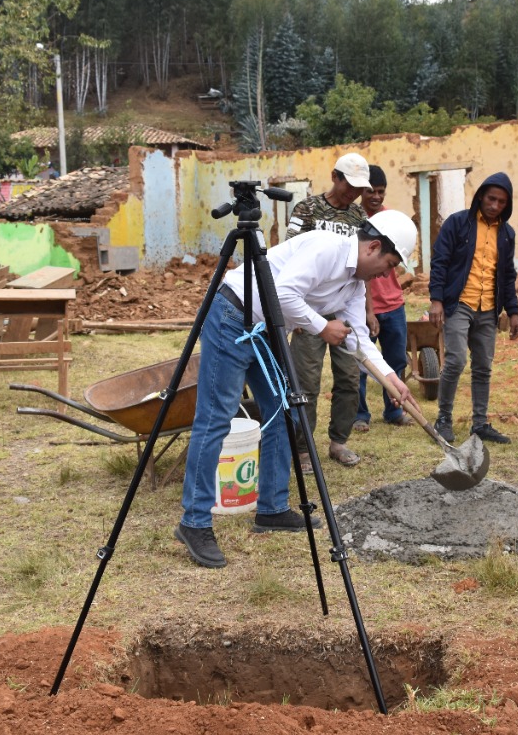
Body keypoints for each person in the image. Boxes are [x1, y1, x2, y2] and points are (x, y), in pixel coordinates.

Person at [175, 213, 421, 568]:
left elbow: (359, 340)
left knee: (284, 411)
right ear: (374, 246)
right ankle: (194, 522)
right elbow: (283, 291)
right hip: (233, 315)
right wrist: (322, 327)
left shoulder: (355, 285)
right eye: (389, 264)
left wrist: (390, 378)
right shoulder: (326, 248)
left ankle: (271, 509)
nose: (387, 274)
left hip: (268, 331)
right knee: (216, 418)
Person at [286, 152, 372, 469]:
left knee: (349, 377)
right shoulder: (307, 209)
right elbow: (291, 260)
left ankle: (339, 441)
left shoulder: (360, 218)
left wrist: (369, 312)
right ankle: (303, 448)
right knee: (306, 381)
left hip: (345, 310)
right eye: (349, 185)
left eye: (359, 188)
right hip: (307, 309)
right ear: (335, 177)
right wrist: (296, 315)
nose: (354, 193)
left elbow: (367, 268)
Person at [429, 172, 518, 444]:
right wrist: (437, 300)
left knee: (483, 367)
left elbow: (507, 274)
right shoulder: (458, 224)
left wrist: (513, 312)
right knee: (456, 360)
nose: (495, 205)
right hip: (459, 304)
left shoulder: (506, 234)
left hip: (489, 309)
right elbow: (440, 262)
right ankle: (443, 418)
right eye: (491, 198)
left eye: (501, 202)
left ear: (507, 204)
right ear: (481, 196)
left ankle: (479, 423)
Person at [354, 166, 410, 432]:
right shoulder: (355, 222)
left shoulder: (393, 220)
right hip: (365, 306)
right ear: (360, 191)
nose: (375, 197)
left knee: (396, 360)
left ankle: (394, 410)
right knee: (360, 363)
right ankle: (359, 415)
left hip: (394, 304)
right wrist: (368, 309)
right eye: (370, 191)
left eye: (380, 192)